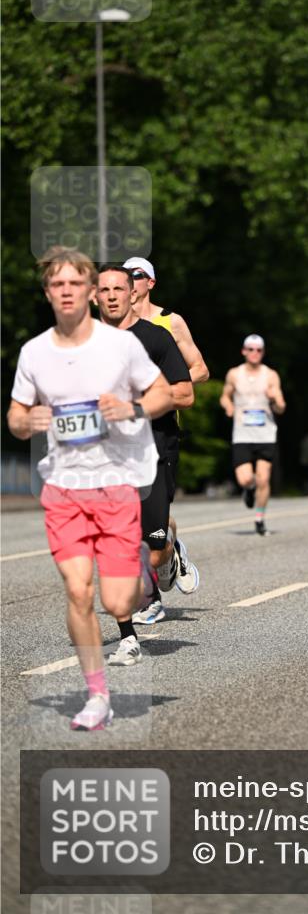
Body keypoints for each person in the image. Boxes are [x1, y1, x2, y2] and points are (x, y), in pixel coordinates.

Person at [7, 249, 172, 729]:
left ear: (90, 293)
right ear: (48, 294)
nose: (66, 292)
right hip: (64, 490)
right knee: (78, 592)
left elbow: (162, 391)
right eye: (56, 285)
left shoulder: (120, 347)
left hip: (116, 486)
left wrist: (133, 408)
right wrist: (26, 421)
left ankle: (142, 579)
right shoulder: (35, 352)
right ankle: (96, 695)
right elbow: (16, 414)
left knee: (119, 602)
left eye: (76, 284)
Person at [96, 266, 199, 658]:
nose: (111, 296)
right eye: (103, 289)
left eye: (119, 288)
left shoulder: (156, 337)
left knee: (152, 550)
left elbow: (185, 395)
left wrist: (134, 408)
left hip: (154, 449)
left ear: (132, 293)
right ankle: (127, 638)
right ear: (95, 296)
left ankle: (169, 553)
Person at [220, 334, 286, 535]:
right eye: (250, 349)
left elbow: (281, 407)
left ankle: (259, 518)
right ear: (244, 351)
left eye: (258, 350)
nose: (254, 353)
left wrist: (274, 400)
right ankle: (249, 490)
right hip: (242, 434)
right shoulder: (234, 374)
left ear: (263, 353)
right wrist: (228, 406)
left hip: (265, 434)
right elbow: (224, 396)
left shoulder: (271, 375)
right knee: (245, 479)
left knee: (263, 479)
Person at [122, 257, 209, 383]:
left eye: (136, 275)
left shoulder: (171, 320)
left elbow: (201, 370)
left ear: (150, 283)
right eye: (125, 276)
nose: (129, 279)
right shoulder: (114, 322)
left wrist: (165, 389)